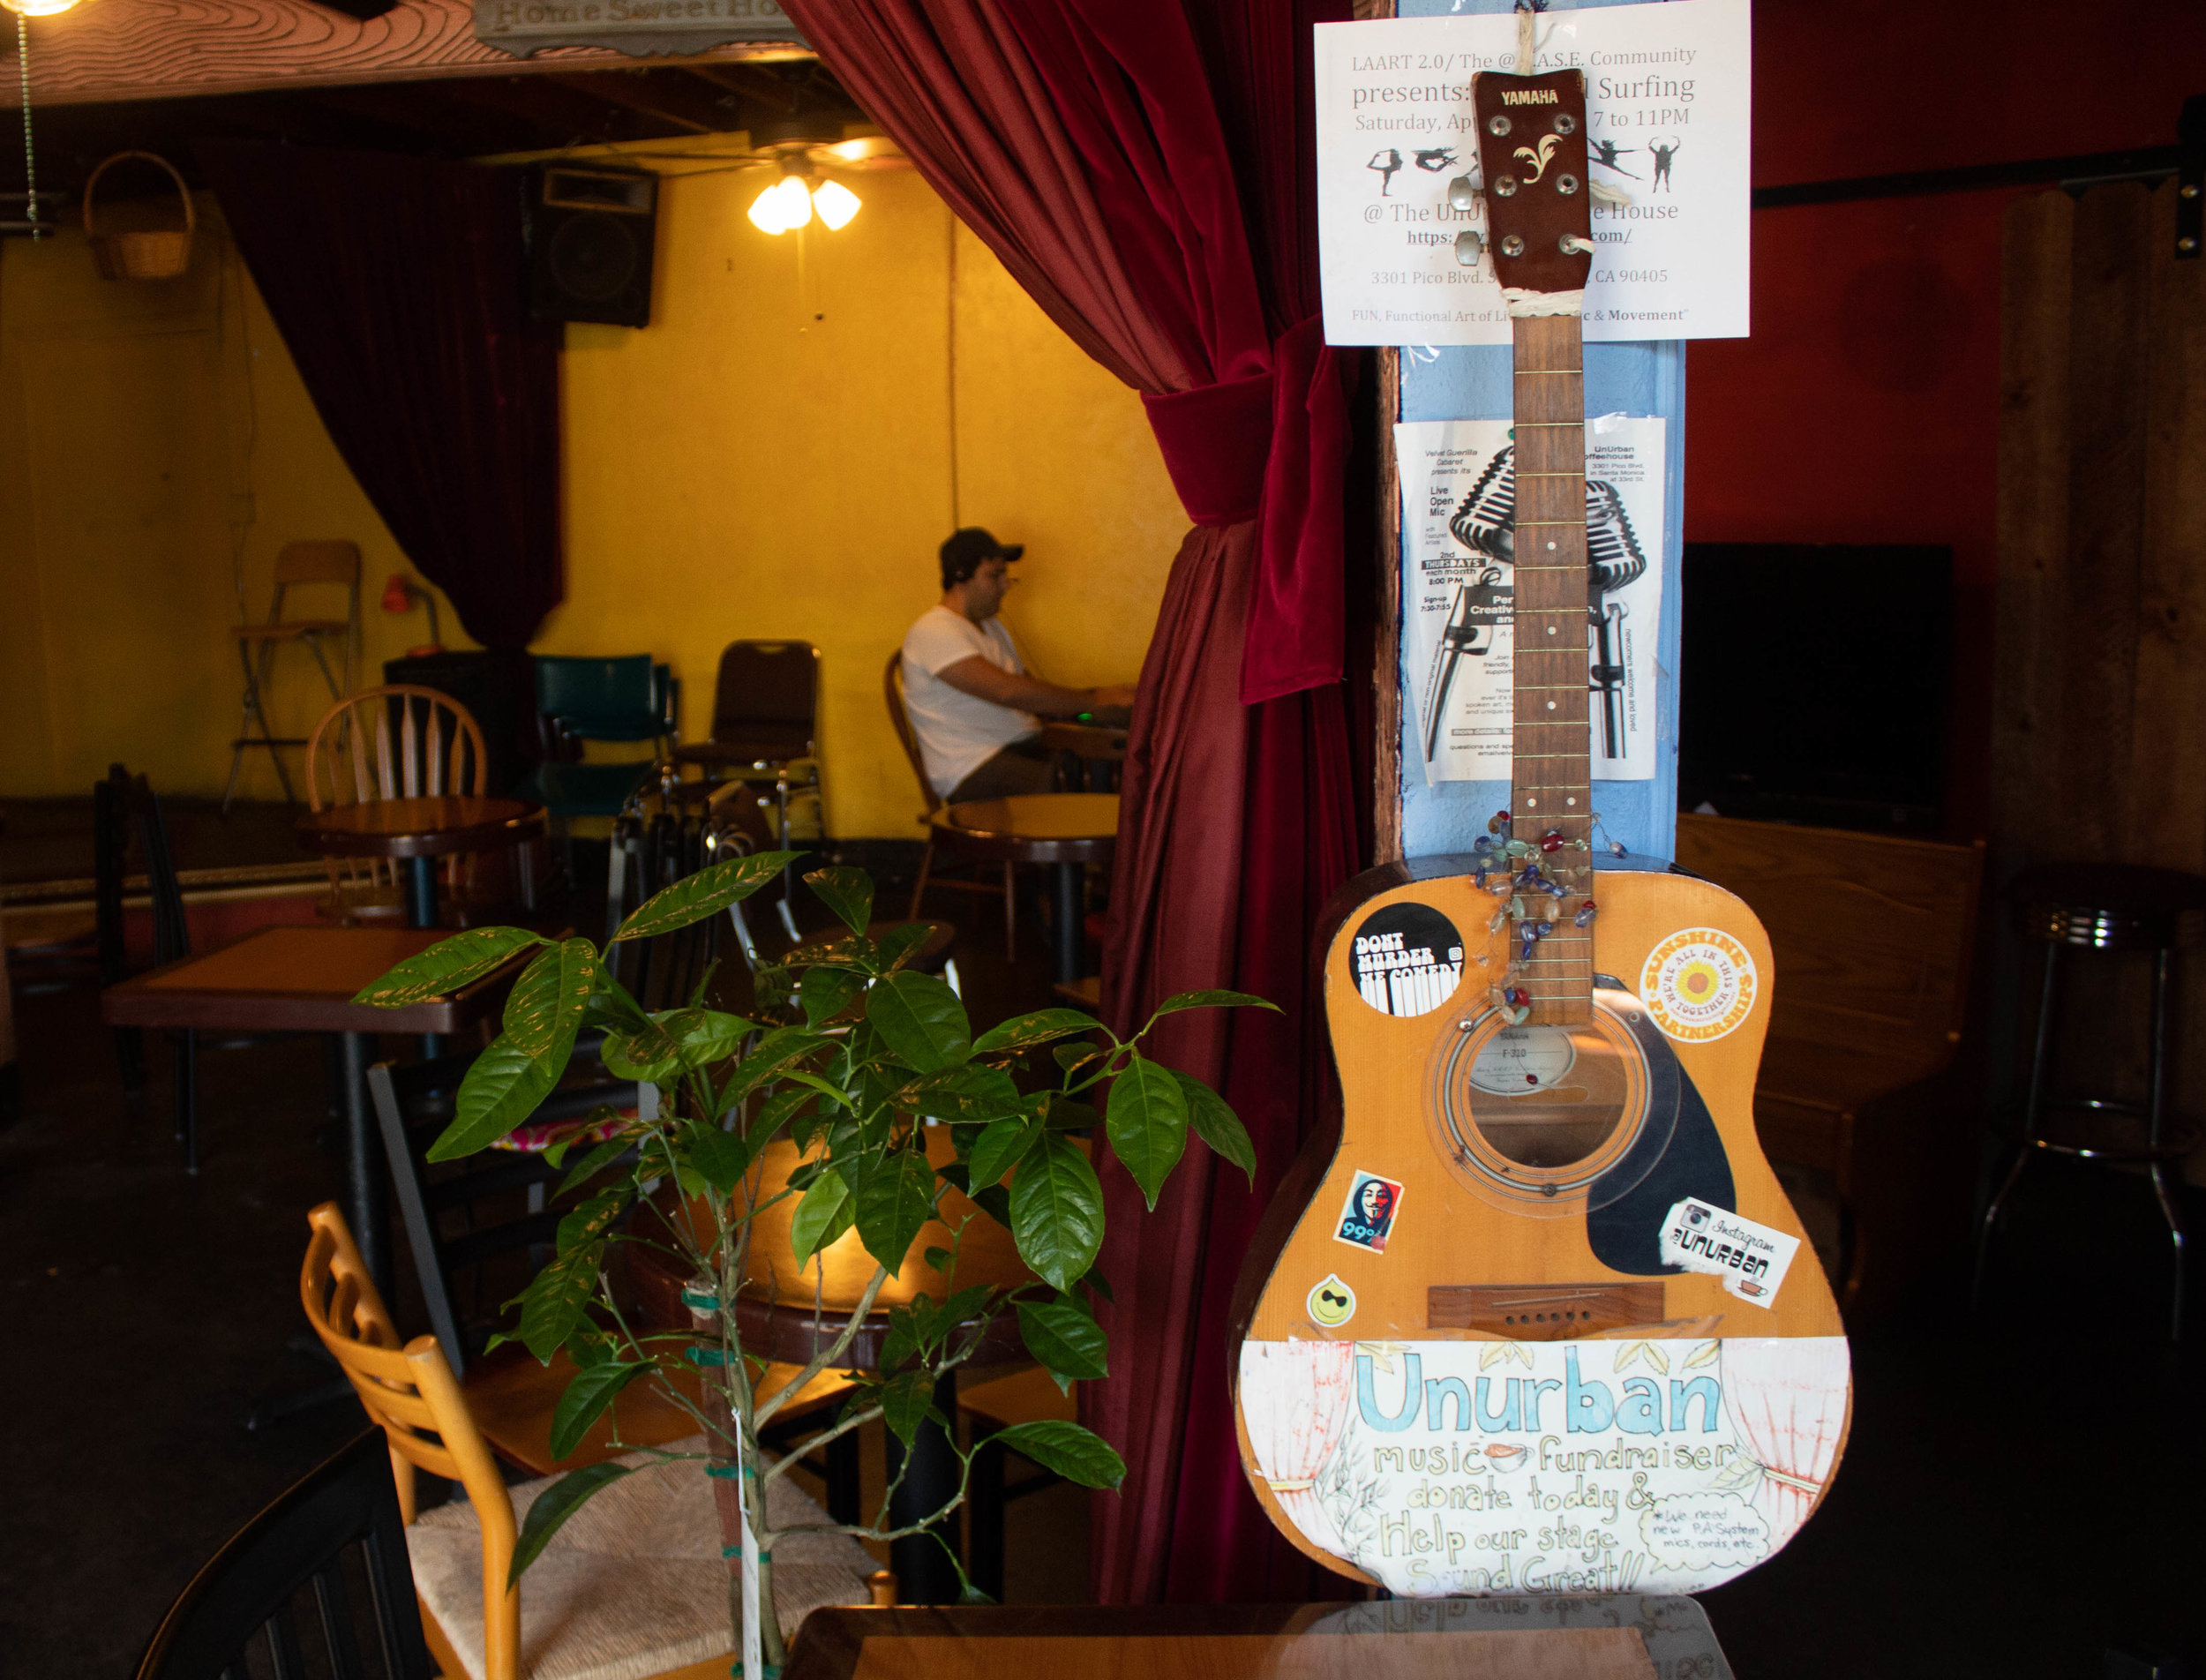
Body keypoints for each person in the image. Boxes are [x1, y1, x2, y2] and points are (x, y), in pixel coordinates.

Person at [899, 528, 1137, 805]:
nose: (1006, 585)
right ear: (960, 576)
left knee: (1107, 755)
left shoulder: (990, 625)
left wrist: (1103, 703)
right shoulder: (933, 630)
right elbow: (1007, 692)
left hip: (1019, 746)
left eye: (1005, 575)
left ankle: (1124, 845)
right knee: (1078, 778)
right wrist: (1093, 701)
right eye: (994, 575)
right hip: (972, 768)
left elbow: (1029, 690)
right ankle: (1099, 846)